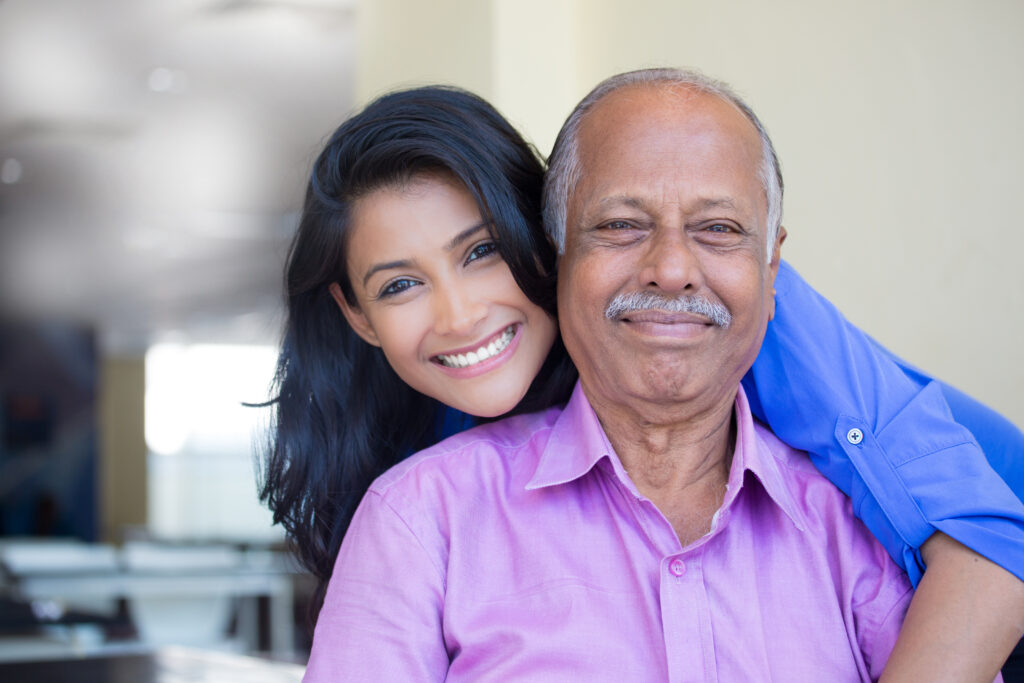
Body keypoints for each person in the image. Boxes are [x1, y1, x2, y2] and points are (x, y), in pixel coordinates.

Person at [261, 82, 1024, 678]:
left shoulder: (732, 322)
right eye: (399, 285)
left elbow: (993, 540)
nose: (460, 316)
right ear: (356, 314)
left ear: (544, 239)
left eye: (481, 251)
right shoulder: (423, 485)